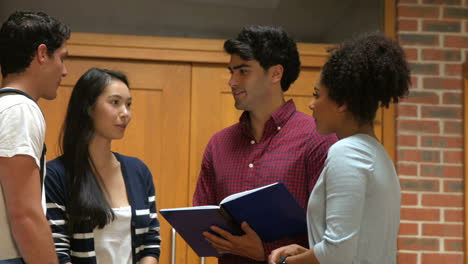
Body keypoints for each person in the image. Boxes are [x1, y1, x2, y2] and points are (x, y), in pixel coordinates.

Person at [193, 25, 337, 264]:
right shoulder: (218, 144)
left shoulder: (317, 139)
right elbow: (203, 221)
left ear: (275, 74)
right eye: (231, 72)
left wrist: (265, 251)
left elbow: (331, 235)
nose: (232, 81)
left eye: (243, 71)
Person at [268, 33, 411, 264]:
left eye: (317, 95)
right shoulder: (377, 154)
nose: (311, 104)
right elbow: (352, 246)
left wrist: (287, 263)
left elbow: (337, 252)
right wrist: (306, 252)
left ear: (343, 102)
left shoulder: (346, 152)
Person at [44, 68, 161, 264]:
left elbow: (151, 240)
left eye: (129, 104)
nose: (126, 114)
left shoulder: (138, 171)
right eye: (115, 102)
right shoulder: (56, 175)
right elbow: (57, 251)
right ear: (88, 108)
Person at [0, 11, 70, 264]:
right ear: (42, 54)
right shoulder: (20, 110)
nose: (65, 71)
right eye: (61, 58)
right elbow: (25, 215)